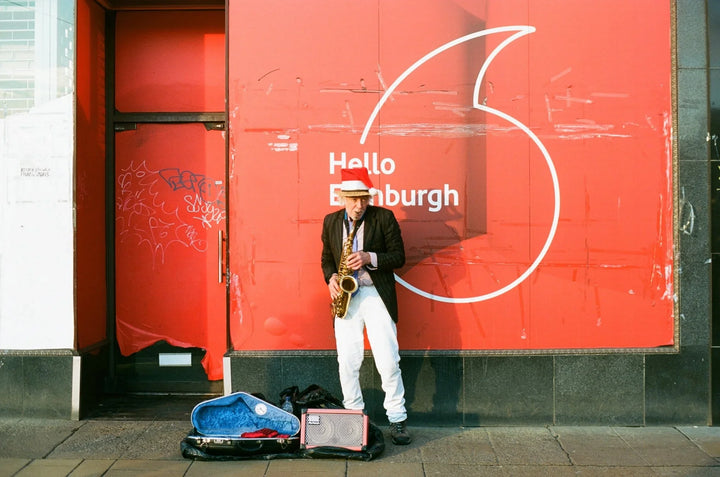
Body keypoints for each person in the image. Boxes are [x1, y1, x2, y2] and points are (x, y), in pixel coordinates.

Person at [321, 166, 411, 445]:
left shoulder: (384, 217)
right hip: (347, 297)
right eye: (353, 199)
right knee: (347, 362)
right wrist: (331, 277)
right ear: (341, 198)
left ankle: (397, 419)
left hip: (375, 295)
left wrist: (369, 256)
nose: (359, 205)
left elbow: (399, 257)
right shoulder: (331, 221)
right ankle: (352, 417)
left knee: (387, 360)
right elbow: (326, 257)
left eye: (364, 199)